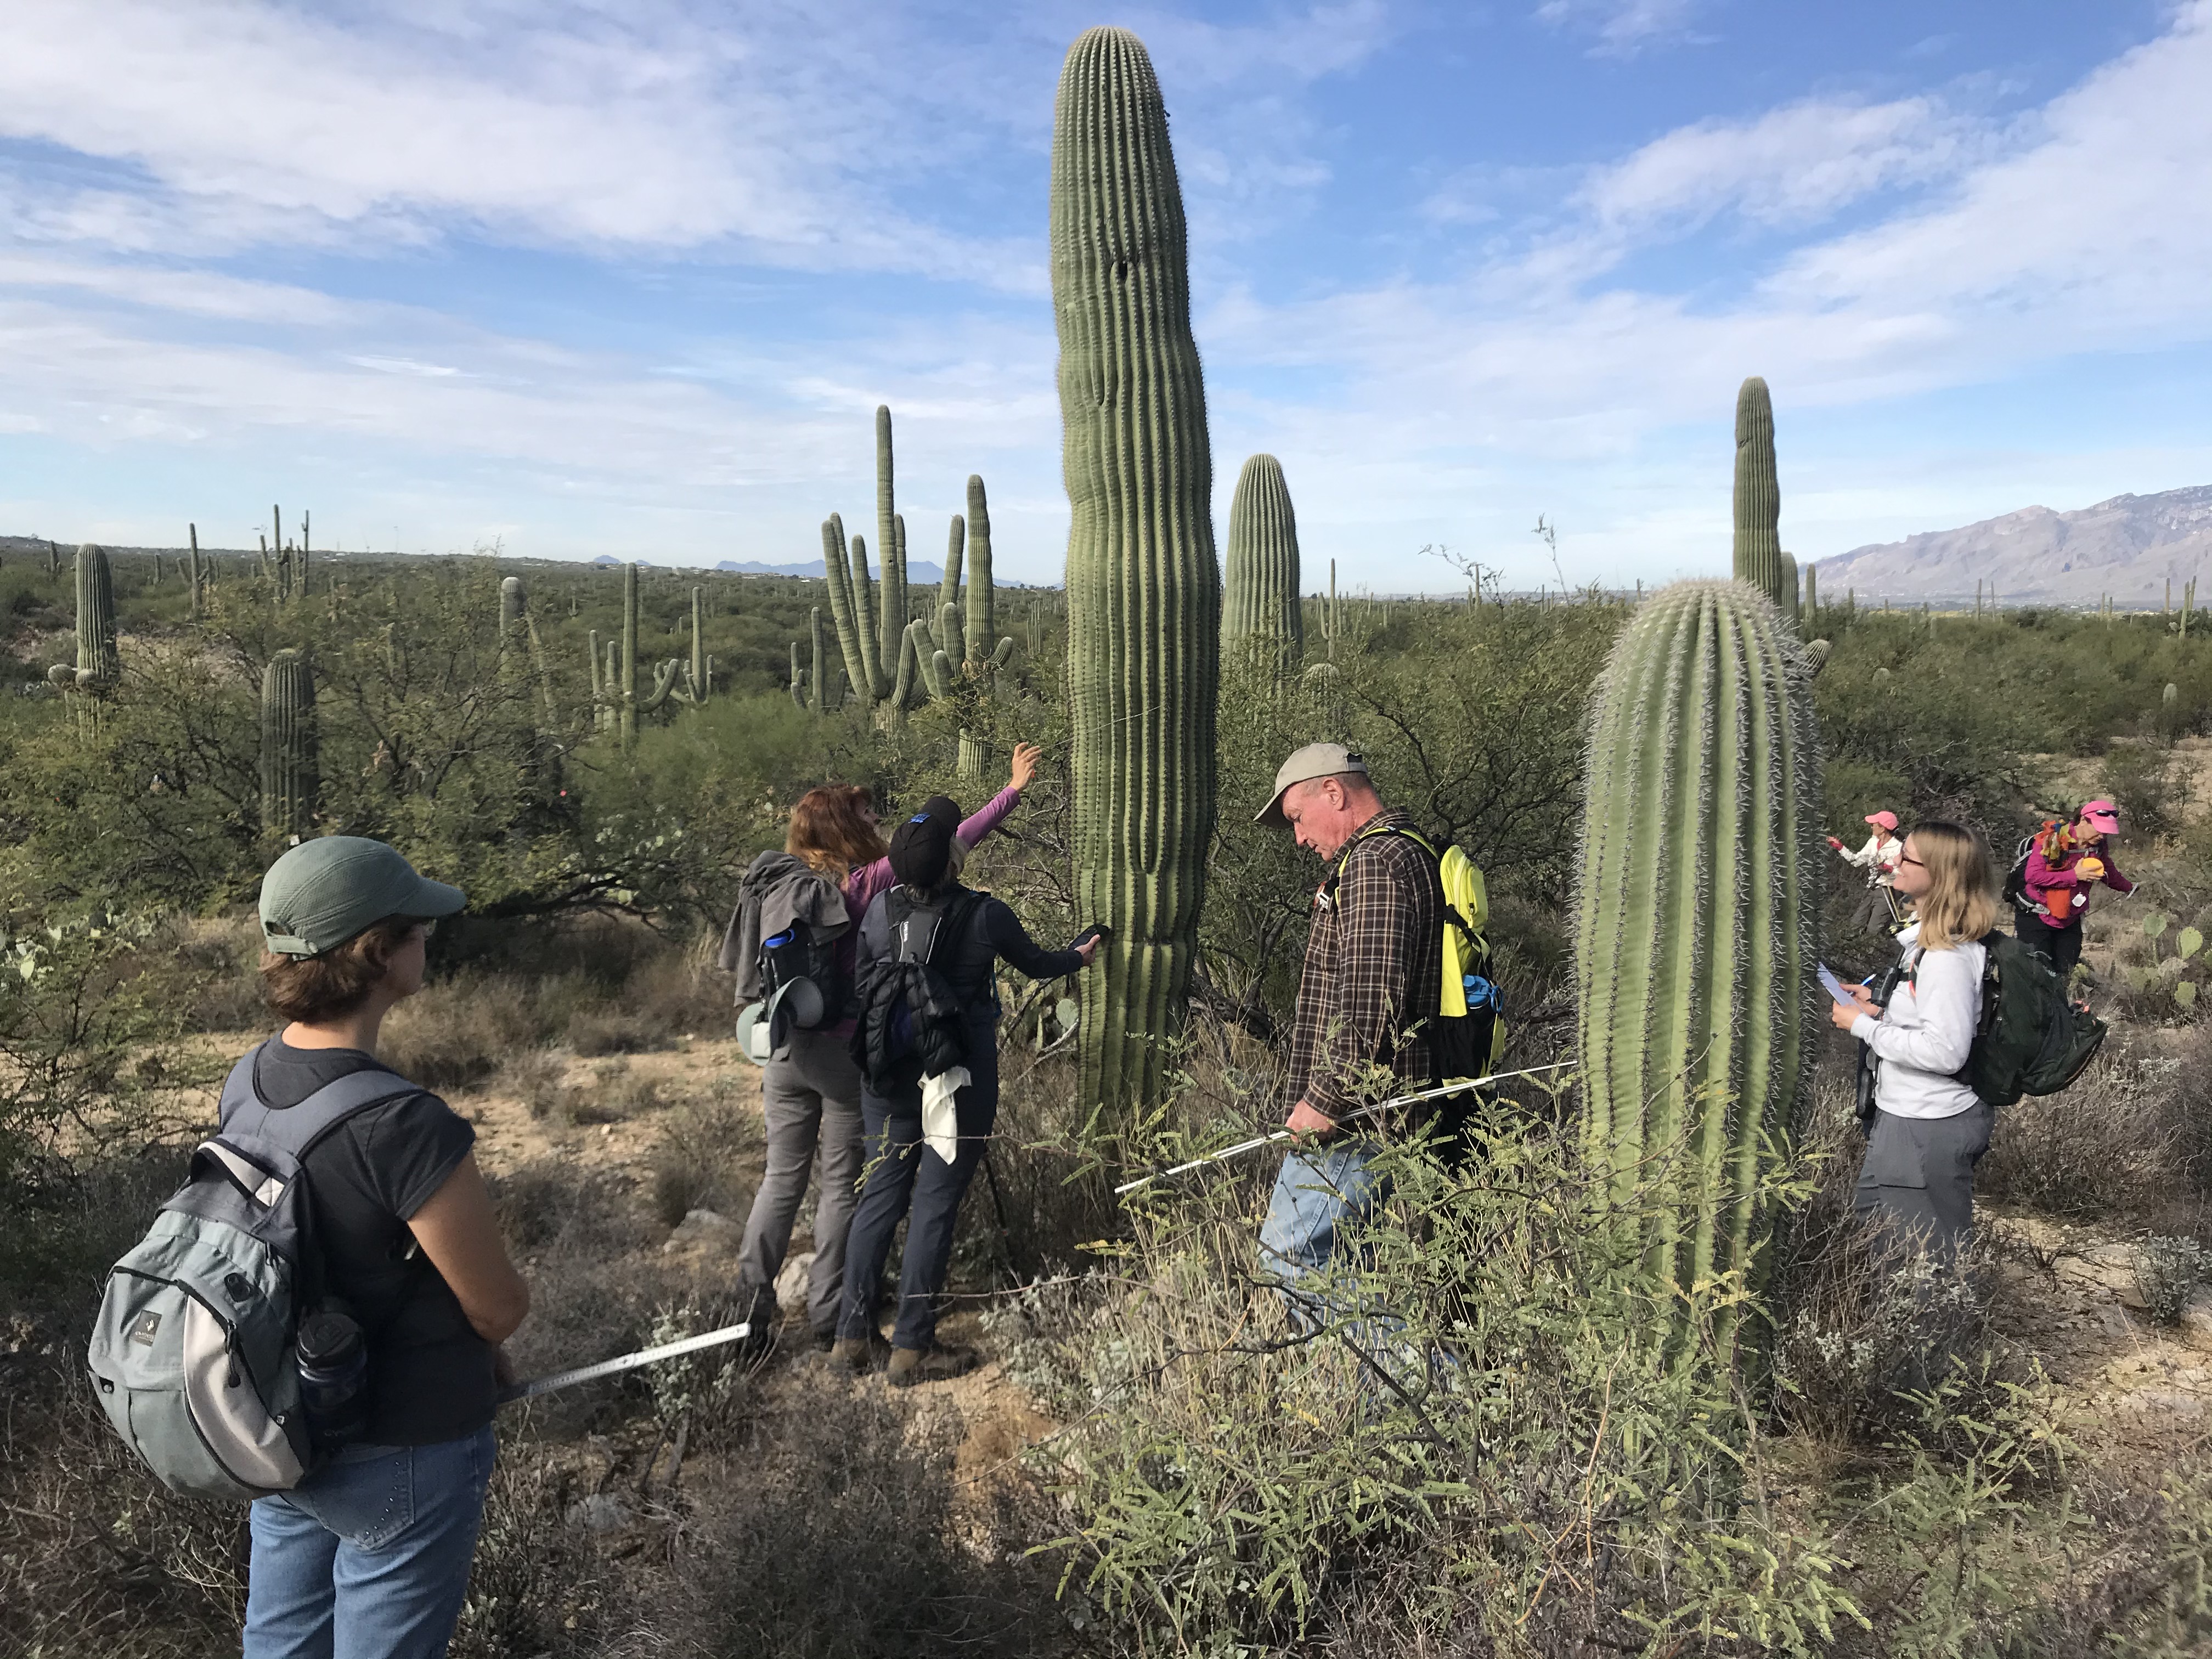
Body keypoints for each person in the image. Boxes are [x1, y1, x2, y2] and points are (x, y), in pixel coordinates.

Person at [240, 837, 531, 1659]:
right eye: (418, 928)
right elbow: (498, 1308)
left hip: (288, 1429)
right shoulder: (404, 1124)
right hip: (404, 1443)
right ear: (378, 953)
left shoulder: (249, 1079)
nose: (428, 940)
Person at [718, 745, 1043, 1351]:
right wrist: (1012, 791)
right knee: (845, 1184)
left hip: (784, 1049)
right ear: (846, 826)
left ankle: (745, 1312)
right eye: (866, 816)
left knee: (781, 1178)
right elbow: (955, 838)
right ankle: (829, 1313)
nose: (877, 824)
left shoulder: (783, 881)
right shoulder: (870, 881)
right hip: (841, 1056)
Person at [832, 794, 1099, 1385]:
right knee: (933, 1203)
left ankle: (851, 1338)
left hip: (889, 1072)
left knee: (879, 1198)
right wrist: (1078, 956)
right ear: (956, 856)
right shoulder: (986, 914)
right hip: (958, 1076)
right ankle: (911, 1348)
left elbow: (869, 980)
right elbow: (1038, 964)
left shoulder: (877, 910)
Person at [1250, 743, 1448, 1314]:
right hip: (1372, 1109)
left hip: (1359, 1115)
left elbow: (1370, 999)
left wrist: (1325, 1101)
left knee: (1287, 1259)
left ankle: (1436, 1389)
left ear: (1333, 793)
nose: (1298, 838)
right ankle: (1368, 1403)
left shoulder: (1377, 861)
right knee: (1343, 1267)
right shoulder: (1402, 853)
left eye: (1296, 818)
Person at [1832, 820, 1997, 1265]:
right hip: (1903, 1117)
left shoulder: (1947, 957)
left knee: (1924, 1261)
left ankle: (1937, 1335)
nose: (1895, 861)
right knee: (1877, 1238)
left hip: (1928, 1124)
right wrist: (1878, 1007)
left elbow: (1945, 1052)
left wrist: (1864, 1028)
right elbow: (1927, 1018)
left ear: (1940, 875)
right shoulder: (1926, 943)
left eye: (1907, 857)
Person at [2017, 798, 2132, 980]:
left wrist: (2128, 887)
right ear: (2083, 821)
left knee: (2065, 974)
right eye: (2100, 830)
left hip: (2071, 919)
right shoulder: (2052, 839)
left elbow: (2106, 869)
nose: (2103, 836)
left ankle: (2061, 1007)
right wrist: (2074, 876)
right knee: (2036, 975)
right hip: (2037, 918)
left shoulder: (2099, 847)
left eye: (2107, 832)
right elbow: (2033, 876)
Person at [1829, 809, 1904, 933]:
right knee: (1855, 926)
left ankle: (1875, 950)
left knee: (1874, 930)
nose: (1871, 827)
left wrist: (1889, 869)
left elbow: (1905, 875)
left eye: (1874, 824)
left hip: (1890, 891)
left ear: (1882, 828)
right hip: (1873, 889)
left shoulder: (1899, 847)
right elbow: (1856, 861)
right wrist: (1839, 847)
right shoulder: (1873, 842)